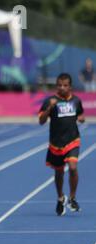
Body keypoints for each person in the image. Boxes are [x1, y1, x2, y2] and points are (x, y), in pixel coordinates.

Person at [39, 73, 85, 216]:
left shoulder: (76, 101)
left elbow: (80, 114)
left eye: (65, 85)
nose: (62, 88)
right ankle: (60, 197)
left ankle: (72, 197)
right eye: (59, 85)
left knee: (72, 167)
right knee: (59, 172)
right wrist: (49, 109)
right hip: (56, 143)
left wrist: (81, 118)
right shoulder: (50, 101)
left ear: (70, 86)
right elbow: (41, 121)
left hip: (72, 140)